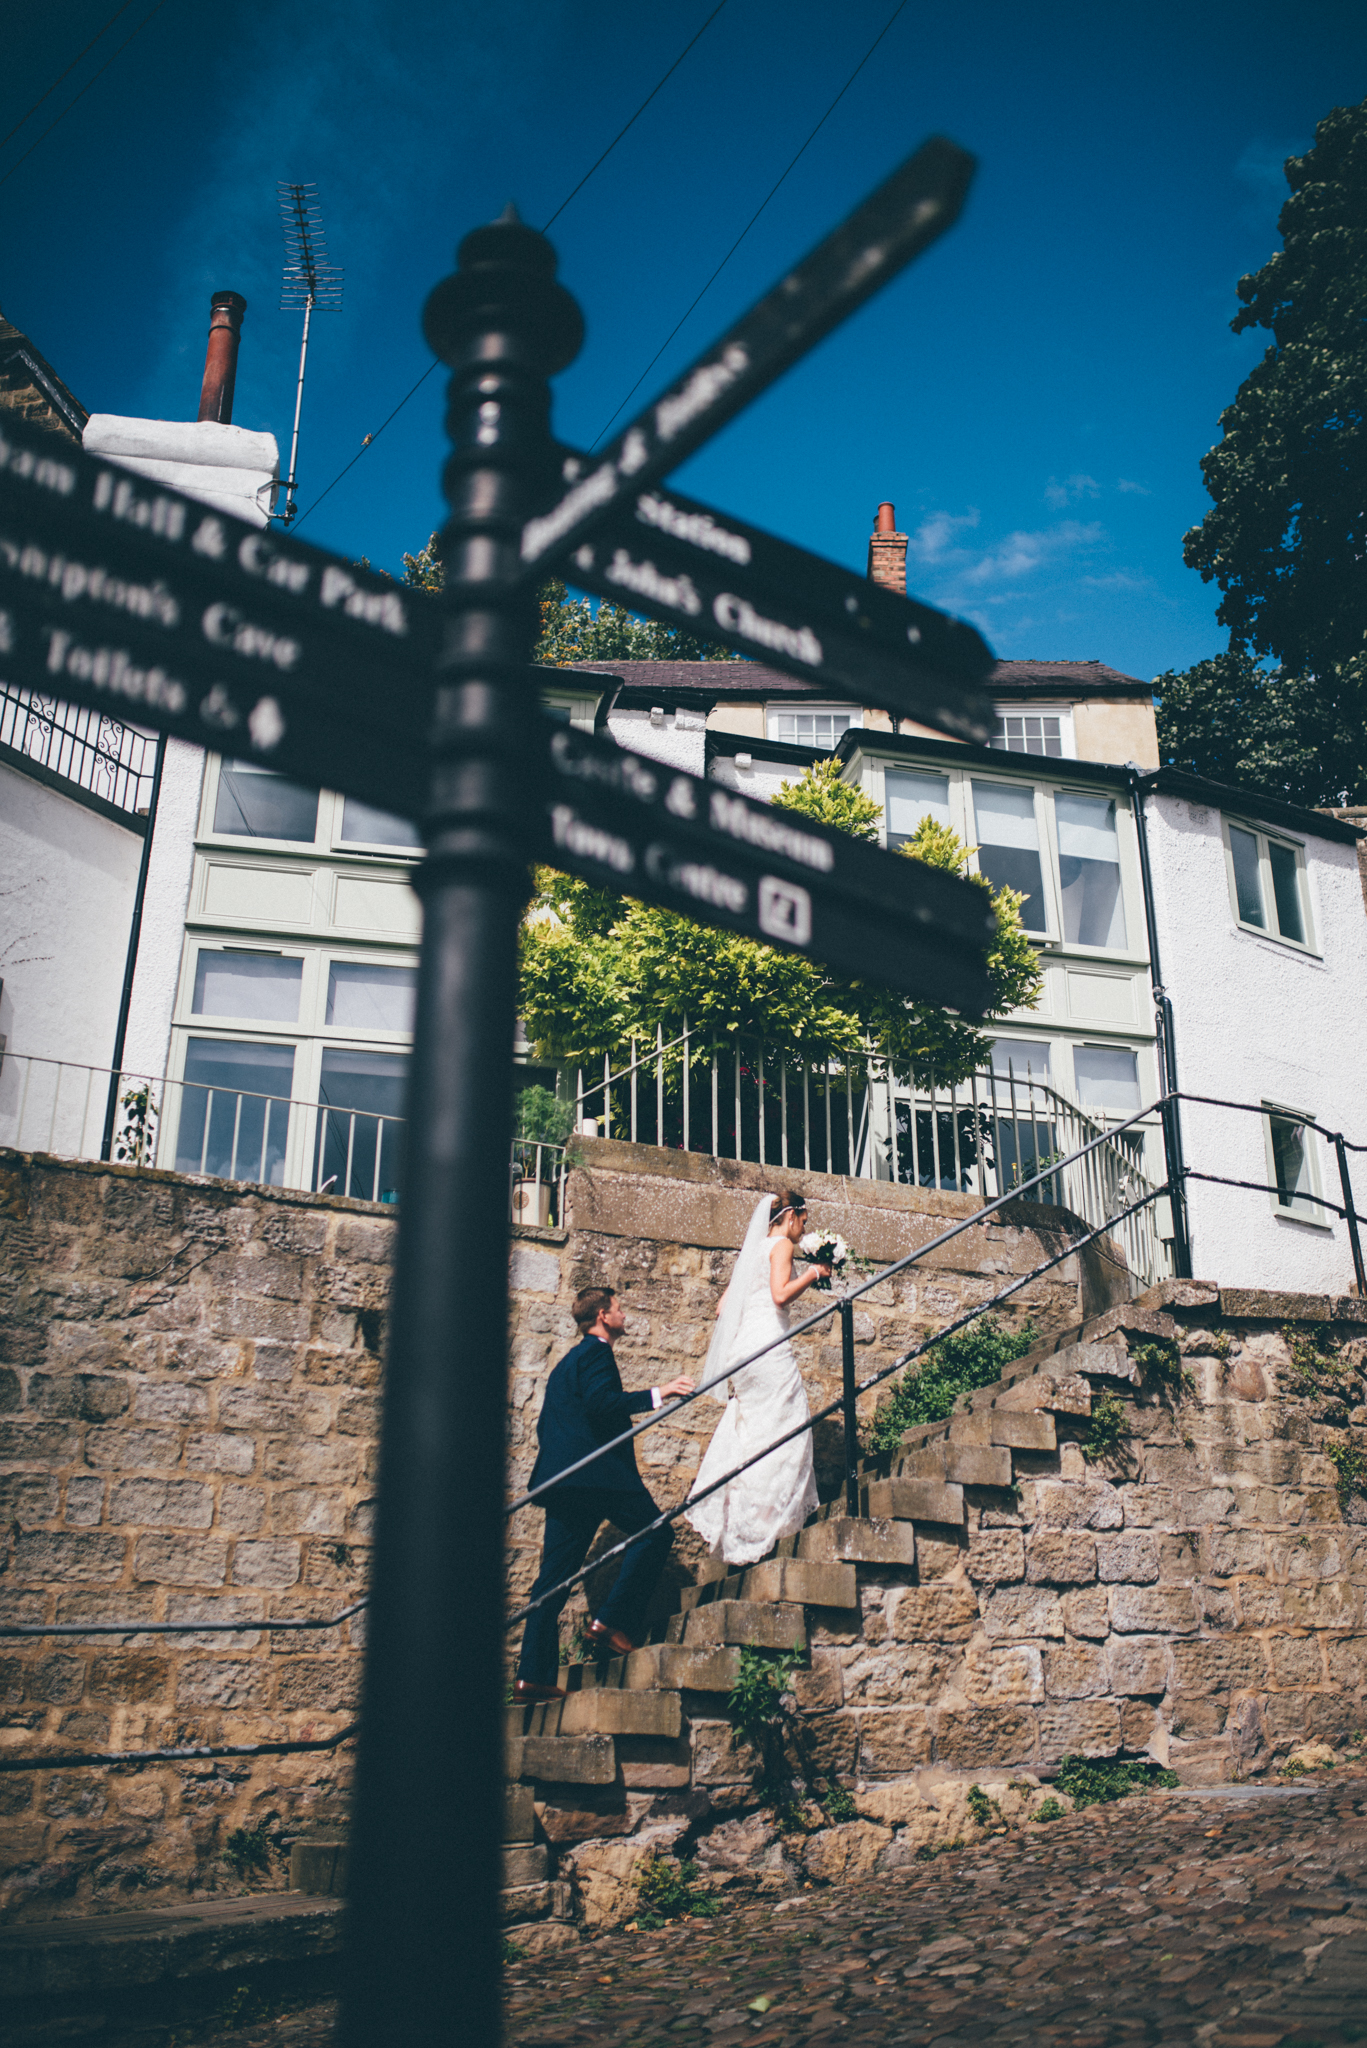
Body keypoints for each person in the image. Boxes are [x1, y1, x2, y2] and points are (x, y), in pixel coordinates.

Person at [513, 1286, 694, 1705]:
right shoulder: (597, 1354)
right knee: (656, 1533)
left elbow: (547, 1426)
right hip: (598, 1479)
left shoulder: (566, 1364)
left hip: (565, 1485)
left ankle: (531, 1678)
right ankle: (612, 1621)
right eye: (619, 1308)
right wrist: (661, 1392)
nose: (624, 1315)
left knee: (552, 1582)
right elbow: (602, 1404)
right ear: (601, 1316)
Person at [684, 1189, 829, 1567]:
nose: (803, 1229)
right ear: (790, 1216)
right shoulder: (781, 1245)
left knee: (755, 1434)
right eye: (803, 1221)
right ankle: (765, 1526)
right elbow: (780, 1296)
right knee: (788, 1429)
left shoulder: (752, 1251)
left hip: (743, 1355)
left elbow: (723, 1307)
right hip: (768, 1350)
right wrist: (814, 1272)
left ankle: (743, 1526)